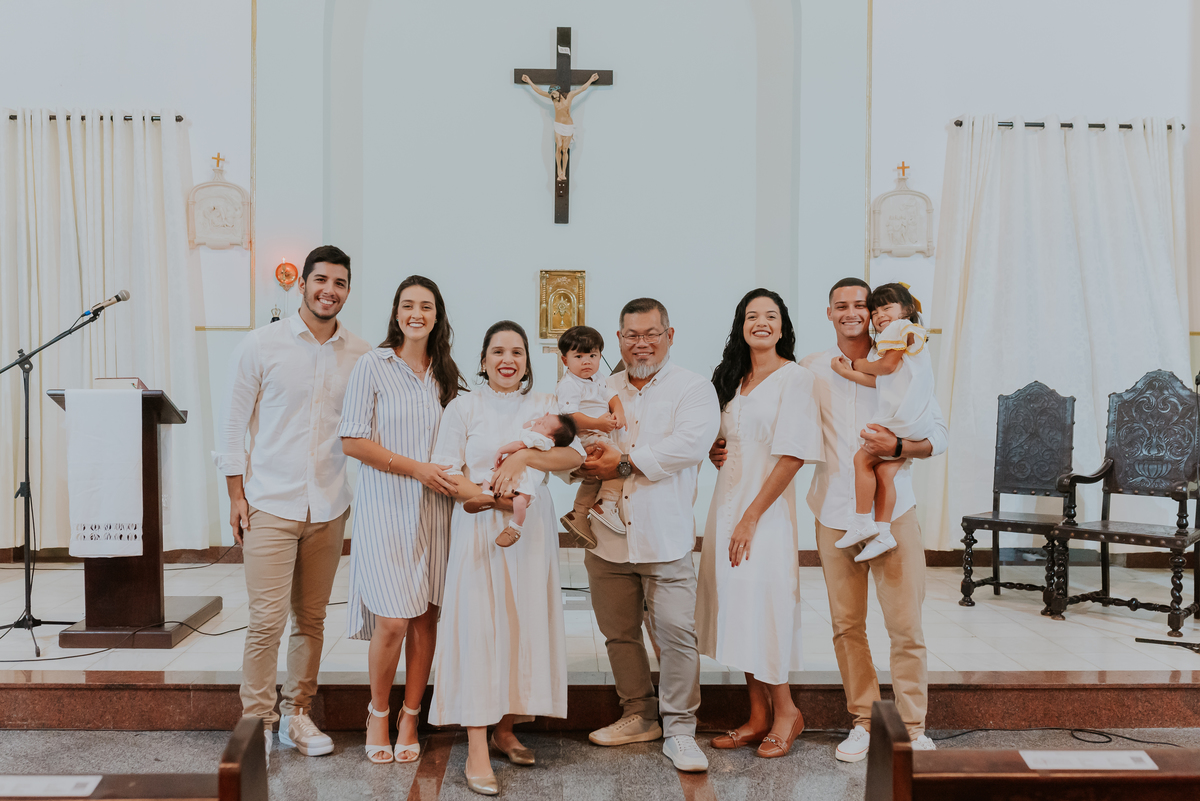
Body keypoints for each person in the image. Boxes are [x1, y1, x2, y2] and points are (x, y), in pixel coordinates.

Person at [212, 245, 371, 764]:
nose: (330, 290)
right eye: (321, 279)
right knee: (265, 620)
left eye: (340, 282)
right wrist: (236, 494)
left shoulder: (360, 354)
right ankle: (256, 721)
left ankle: (297, 714)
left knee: (312, 618)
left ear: (348, 290)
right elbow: (233, 424)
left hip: (328, 504)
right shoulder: (262, 345)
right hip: (269, 503)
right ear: (301, 284)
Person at [428, 321, 584, 796]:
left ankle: (506, 727)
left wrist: (524, 461)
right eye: (497, 351)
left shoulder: (542, 406)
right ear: (483, 360)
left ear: (526, 362)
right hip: (478, 529)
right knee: (479, 630)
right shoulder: (464, 406)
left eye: (516, 351)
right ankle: (476, 744)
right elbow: (445, 471)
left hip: (529, 534)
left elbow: (573, 457)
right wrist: (495, 499)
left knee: (521, 625)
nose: (507, 359)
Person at [798, 277, 947, 763]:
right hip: (833, 512)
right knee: (846, 625)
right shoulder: (813, 369)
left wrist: (900, 448)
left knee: (905, 625)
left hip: (893, 511)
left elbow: (939, 436)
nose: (852, 312)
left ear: (878, 312)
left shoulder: (905, 356)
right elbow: (780, 426)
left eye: (860, 305)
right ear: (829, 313)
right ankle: (863, 721)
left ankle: (912, 726)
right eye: (841, 305)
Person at [578, 298, 721, 773]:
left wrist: (621, 462)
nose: (641, 343)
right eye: (631, 335)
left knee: (678, 634)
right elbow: (575, 441)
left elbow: (688, 445)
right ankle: (638, 714)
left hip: (666, 535)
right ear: (618, 338)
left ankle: (680, 729)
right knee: (618, 634)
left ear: (670, 335)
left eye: (651, 333)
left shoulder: (693, 388)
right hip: (607, 536)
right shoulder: (599, 387)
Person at [338, 275, 465, 765]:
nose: (417, 313)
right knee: (392, 619)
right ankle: (378, 711)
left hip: (437, 510)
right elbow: (352, 440)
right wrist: (417, 469)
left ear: (437, 316)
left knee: (425, 615)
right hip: (387, 505)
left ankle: (411, 714)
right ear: (396, 313)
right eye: (408, 305)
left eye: (426, 306)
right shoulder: (373, 365)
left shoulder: (446, 373)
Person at [696, 289, 824, 759]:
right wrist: (715, 449)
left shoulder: (796, 378)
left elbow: (793, 455)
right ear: (741, 325)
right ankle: (756, 714)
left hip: (764, 518)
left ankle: (787, 711)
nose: (761, 323)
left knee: (766, 606)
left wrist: (752, 516)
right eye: (752, 316)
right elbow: (727, 439)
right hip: (726, 507)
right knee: (738, 606)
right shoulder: (734, 378)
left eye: (770, 315)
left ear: (783, 325)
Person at [830, 283, 937, 562]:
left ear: (907, 309)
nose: (879, 316)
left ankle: (863, 520)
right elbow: (880, 382)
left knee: (862, 461)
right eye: (876, 310)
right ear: (829, 312)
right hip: (914, 421)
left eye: (885, 308)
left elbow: (884, 368)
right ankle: (883, 532)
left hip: (902, 421)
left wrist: (856, 364)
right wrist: (847, 371)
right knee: (885, 473)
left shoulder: (899, 329)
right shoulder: (907, 337)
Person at [554, 325, 627, 542]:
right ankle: (607, 503)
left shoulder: (597, 378)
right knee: (619, 464)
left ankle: (579, 513)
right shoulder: (568, 384)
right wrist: (598, 423)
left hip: (598, 433)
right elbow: (569, 416)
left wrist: (619, 412)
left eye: (593, 355)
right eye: (579, 356)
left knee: (595, 476)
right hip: (586, 435)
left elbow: (611, 395)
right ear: (565, 360)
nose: (587, 361)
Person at [463, 412, 578, 547]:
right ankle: (486, 495)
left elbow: (519, 445)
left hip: (525, 478)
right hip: (511, 472)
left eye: (543, 423)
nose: (538, 421)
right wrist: (543, 420)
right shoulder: (537, 433)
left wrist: (501, 450)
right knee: (490, 476)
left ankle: (516, 527)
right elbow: (527, 425)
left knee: (520, 501)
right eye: (542, 419)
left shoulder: (541, 440)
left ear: (551, 438)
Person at [520, 72, 601, 181]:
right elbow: (539, 91)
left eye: (554, 93)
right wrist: (529, 81)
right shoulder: (553, 99)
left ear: (558, 91)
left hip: (568, 126)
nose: (553, 96)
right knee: (558, 148)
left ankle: (564, 171)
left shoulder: (569, 96)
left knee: (564, 149)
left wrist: (591, 80)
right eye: (551, 94)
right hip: (558, 125)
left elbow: (582, 89)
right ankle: (560, 171)